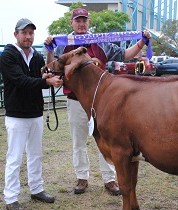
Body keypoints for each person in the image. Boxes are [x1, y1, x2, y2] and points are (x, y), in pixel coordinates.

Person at [44, 8, 151, 196]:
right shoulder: (63, 43)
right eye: (77, 20)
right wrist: (49, 48)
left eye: (84, 20)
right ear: (71, 23)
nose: (81, 23)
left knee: (106, 140)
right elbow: (52, 65)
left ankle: (109, 179)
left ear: (89, 22)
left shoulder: (100, 41)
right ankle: (81, 177)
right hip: (75, 100)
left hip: (101, 102)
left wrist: (142, 42)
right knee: (79, 141)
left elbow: (125, 54)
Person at [0, 18, 63, 210]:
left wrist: (48, 71)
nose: (28, 37)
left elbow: (42, 74)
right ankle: (11, 197)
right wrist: (47, 82)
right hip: (17, 115)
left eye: (31, 33)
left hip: (35, 113)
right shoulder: (8, 56)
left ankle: (36, 189)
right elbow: (21, 81)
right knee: (15, 157)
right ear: (16, 34)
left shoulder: (35, 56)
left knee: (35, 155)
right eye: (24, 33)